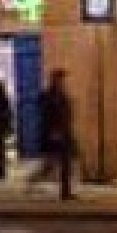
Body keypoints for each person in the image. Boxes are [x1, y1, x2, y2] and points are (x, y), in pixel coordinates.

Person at [31, 68, 77, 199]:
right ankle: (32, 181)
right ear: (55, 80)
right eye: (61, 79)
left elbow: (66, 113)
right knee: (49, 164)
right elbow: (46, 115)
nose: (63, 82)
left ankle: (65, 192)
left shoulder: (61, 95)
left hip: (64, 132)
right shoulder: (48, 95)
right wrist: (53, 131)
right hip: (53, 134)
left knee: (65, 163)